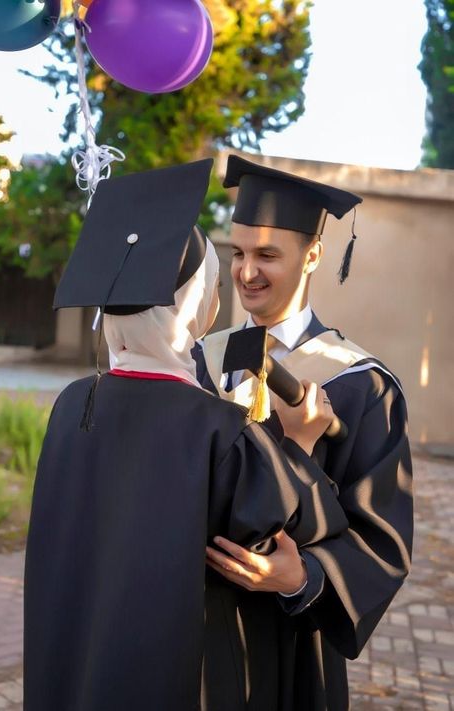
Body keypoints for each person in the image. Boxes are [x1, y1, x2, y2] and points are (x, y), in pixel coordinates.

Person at [23, 159, 348, 711]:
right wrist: (299, 445)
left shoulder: (71, 403)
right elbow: (296, 525)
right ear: (196, 303)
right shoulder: (216, 428)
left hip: (79, 659)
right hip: (169, 672)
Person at [195, 154, 414, 710]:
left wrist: (302, 576)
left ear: (313, 254)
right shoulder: (199, 361)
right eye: (238, 253)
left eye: (268, 254)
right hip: (194, 635)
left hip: (294, 643)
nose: (246, 273)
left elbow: (382, 539)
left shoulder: (361, 385)